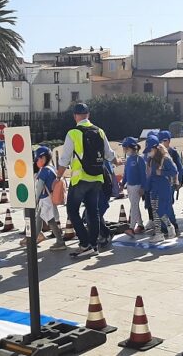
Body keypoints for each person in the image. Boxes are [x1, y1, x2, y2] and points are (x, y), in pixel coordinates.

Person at [56, 103, 116, 258]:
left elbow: (64, 158)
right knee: (93, 212)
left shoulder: (73, 133)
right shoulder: (100, 131)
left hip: (80, 178)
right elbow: (109, 154)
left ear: (75, 116)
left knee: (72, 210)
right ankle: (93, 245)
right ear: (88, 115)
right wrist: (117, 161)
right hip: (97, 177)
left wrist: (58, 177)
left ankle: (84, 244)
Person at [27, 146, 65, 250]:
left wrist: (35, 200)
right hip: (50, 198)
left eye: (37, 159)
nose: (36, 161)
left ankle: (60, 242)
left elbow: (39, 187)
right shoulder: (52, 168)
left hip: (45, 199)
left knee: (50, 220)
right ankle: (35, 238)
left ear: (43, 158)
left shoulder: (44, 171)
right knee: (40, 218)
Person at [144, 136, 178, 242]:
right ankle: (159, 234)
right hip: (154, 189)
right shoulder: (151, 160)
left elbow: (174, 171)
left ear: (156, 148)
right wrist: (147, 188)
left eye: (150, 150)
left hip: (163, 189)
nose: (149, 153)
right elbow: (151, 176)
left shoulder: (165, 159)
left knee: (160, 211)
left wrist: (162, 173)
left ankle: (169, 227)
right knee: (155, 212)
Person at [121, 137, 146, 236]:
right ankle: (140, 225)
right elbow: (126, 174)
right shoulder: (128, 160)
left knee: (134, 206)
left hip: (137, 186)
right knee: (135, 206)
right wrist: (122, 184)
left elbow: (143, 175)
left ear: (130, 148)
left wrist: (143, 187)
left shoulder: (139, 159)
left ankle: (131, 228)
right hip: (130, 186)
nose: (124, 150)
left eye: (125, 148)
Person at [158, 130, 181, 233]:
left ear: (169, 141)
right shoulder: (158, 153)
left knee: (168, 204)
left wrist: (178, 181)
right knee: (162, 204)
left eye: (164, 140)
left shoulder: (173, 152)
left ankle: (173, 223)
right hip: (161, 183)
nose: (162, 143)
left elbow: (178, 168)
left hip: (171, 182)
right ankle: (164, 225)